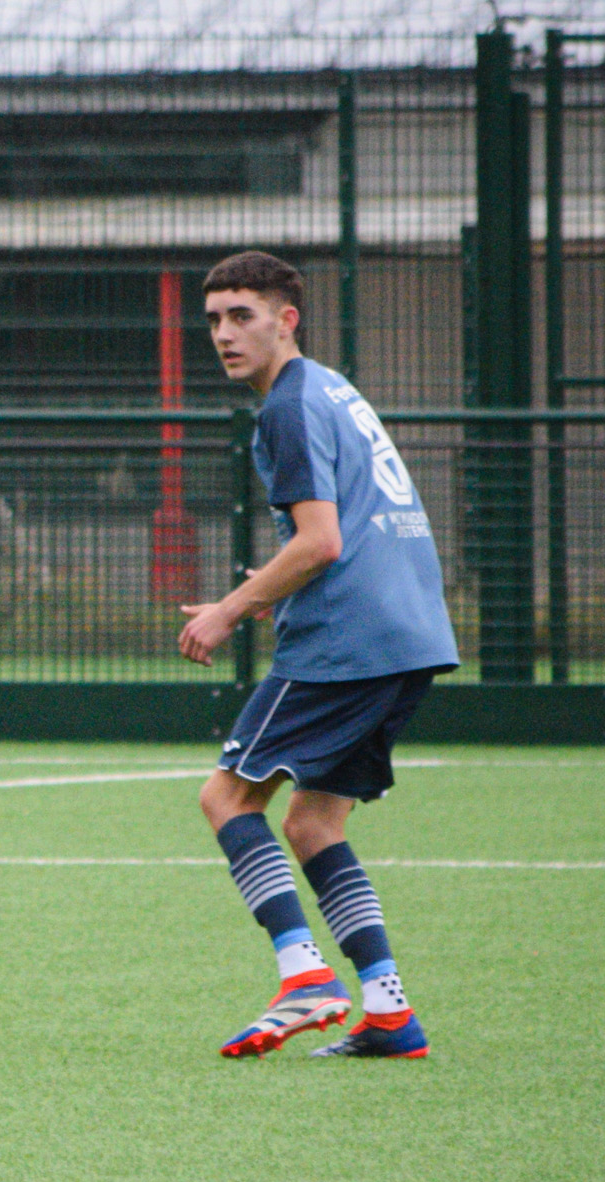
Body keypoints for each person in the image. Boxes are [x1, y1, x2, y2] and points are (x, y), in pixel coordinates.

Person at [178, 251, 457, 1060]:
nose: (225, 334)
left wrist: (232, 608)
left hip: (349, 637)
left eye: (242, 315)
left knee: (227, 799)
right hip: (412, 635)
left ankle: (305, 976)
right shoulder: (333, 387)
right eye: (215, 320)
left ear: (286, 319)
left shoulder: (288, 407)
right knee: (313, 821)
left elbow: (322, 541)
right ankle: (389, 1009)